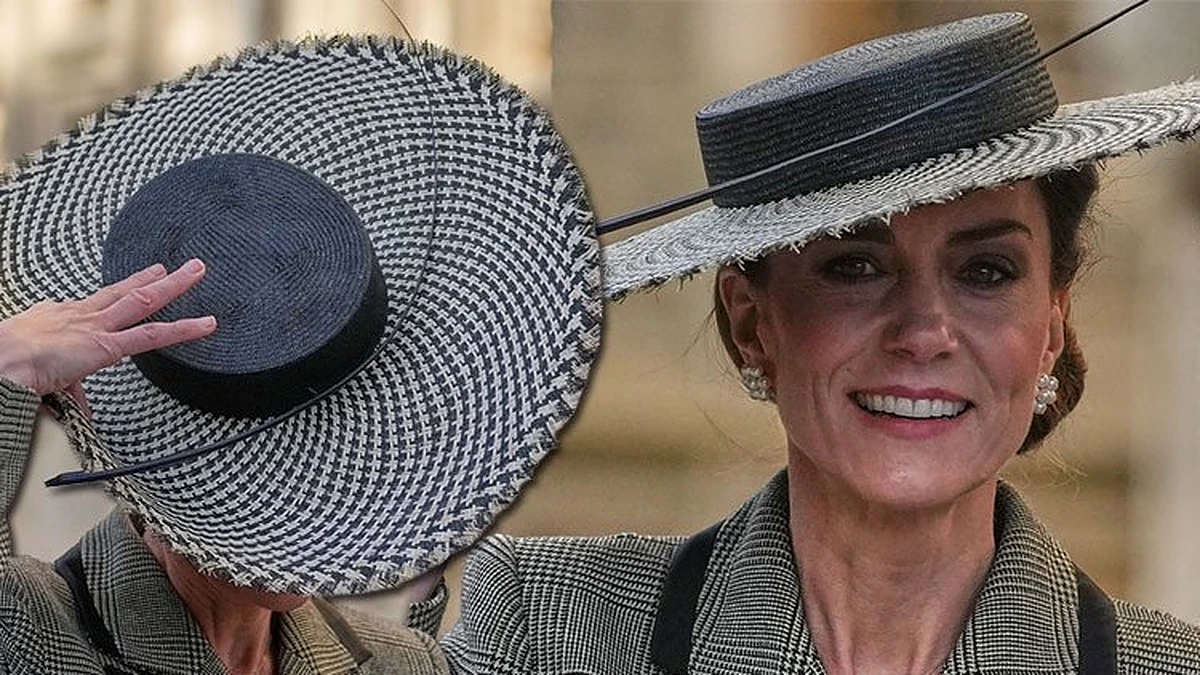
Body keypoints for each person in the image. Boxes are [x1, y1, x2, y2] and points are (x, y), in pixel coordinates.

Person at [421, 11, 1200, 674]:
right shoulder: (552, 629)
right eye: (855, 266)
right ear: (751, 322)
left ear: (1052, 325)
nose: (925, 332)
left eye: (986, 272)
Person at [0, 35, 600, 675]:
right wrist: (9, 370)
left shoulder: (403, 660)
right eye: (255, 482)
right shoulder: (37, 630)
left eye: (323, 474)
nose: (300, 520)